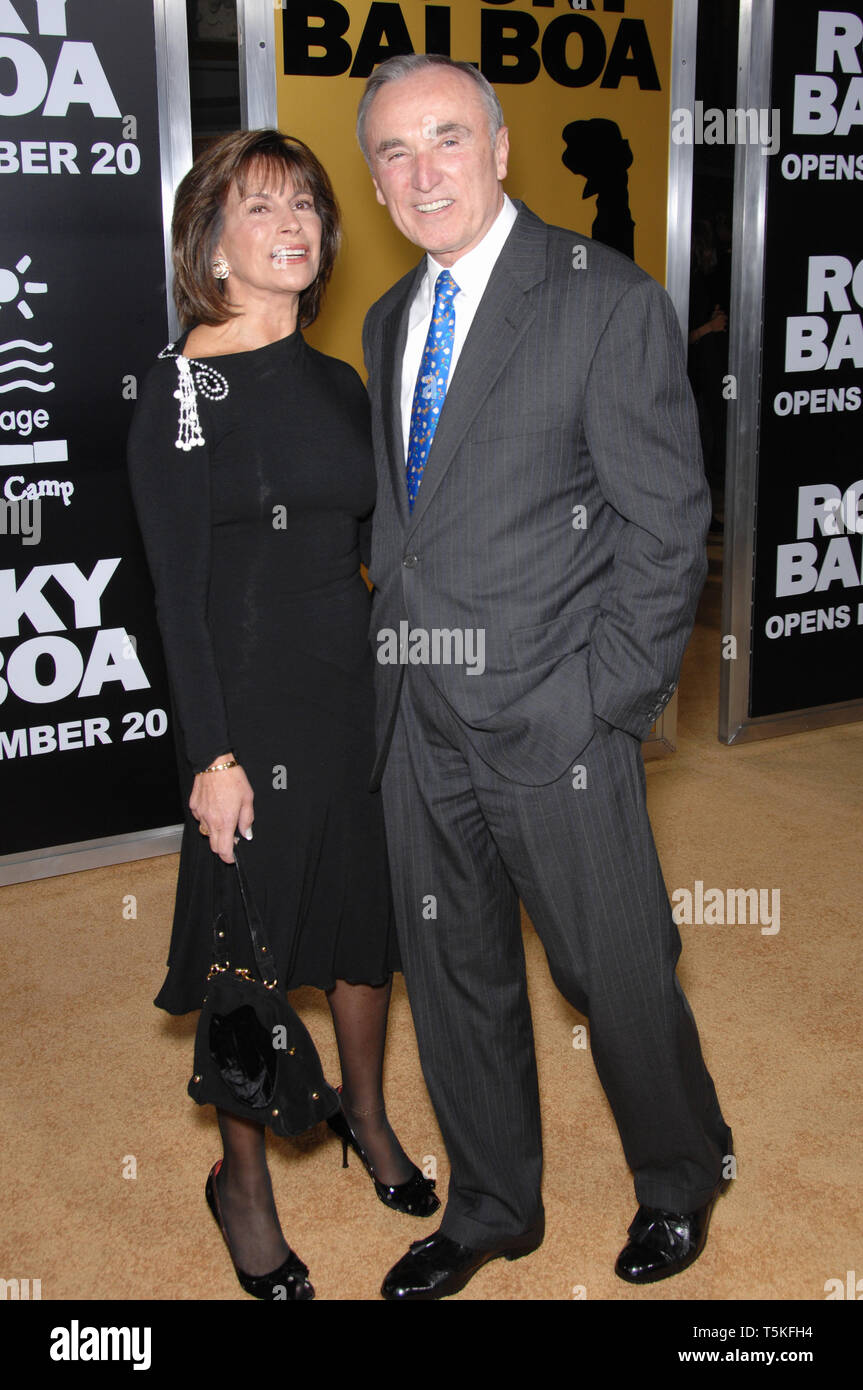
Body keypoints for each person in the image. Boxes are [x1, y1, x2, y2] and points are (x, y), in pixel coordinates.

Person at [356, 55, 733, 1301]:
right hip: (418, 714)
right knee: (452, 966)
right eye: (395, 154)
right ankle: (491, 1207)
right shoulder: (385, 317)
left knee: (611, 966)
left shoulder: (605, 299)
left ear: (501, 148)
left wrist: (605, 703)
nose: (422, 174)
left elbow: (666, 525)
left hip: (557, 710)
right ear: (374, 177)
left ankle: (681, 1173)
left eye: (446, 141)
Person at [127, 128, 438, 1302]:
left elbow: (368, 548)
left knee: (362, 918)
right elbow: (175, 592)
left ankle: (363, 1109)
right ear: (210, 239)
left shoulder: (340, 377)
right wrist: (209, 752)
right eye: (259, 208)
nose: (292, 223)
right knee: (242, 952)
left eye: (304, 203)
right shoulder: (181, 388)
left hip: (343, 685)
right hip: (244, 705)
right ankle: (241, 1186)